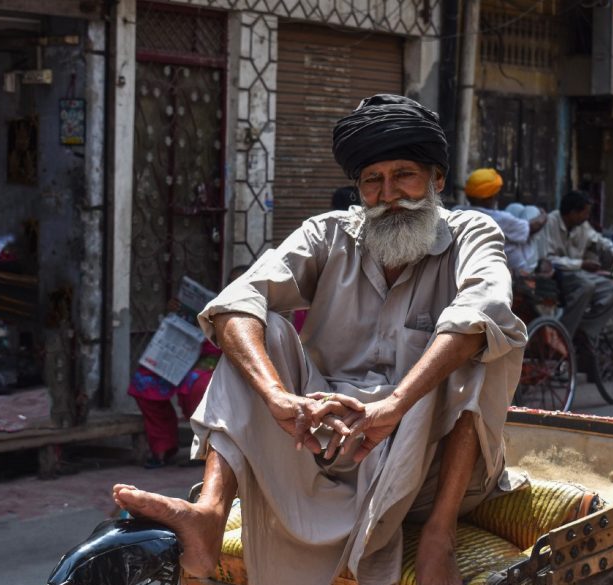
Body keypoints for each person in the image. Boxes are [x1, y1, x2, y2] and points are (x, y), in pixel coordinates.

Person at [111, 94, 527, 585]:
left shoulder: (471, 233)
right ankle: (209, 511)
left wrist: (393, 405)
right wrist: (277, 396)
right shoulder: (329, 234)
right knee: (254, 329)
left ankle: (440, 537)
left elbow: (483, 307)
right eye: (373, 180)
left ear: (436, 180)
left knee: (479, 341)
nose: (389, 193)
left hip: (430, 473)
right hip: (326, 452)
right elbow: (235, 303)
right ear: (359, 188)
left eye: (405, 175)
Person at [128, 266, 251, 468]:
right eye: (231, 281)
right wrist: (176, 311)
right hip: (185, 352)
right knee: (145, 380)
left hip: (219, 360)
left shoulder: (260, 307)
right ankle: (163, 446)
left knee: (195, 386)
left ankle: (209, 449)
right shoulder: (216, 302)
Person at [537, 190, 613, 344]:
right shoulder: (550, 223)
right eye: (585, 213)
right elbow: (548, 259)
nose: (587, 217)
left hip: (579, 273)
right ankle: (562, 335)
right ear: (573, 213)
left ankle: (585, 330)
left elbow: (599, 240)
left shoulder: (582, 226)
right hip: (559, 274)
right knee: (586, 286)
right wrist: (581, 264)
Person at [453, 168, 547, 274]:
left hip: (475, 260)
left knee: (515, 207)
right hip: (518, 266)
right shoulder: (499, 219)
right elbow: (534, 226)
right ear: (490, 198)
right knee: (532, 211)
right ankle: (543, 262)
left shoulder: (457, 211)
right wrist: (543, 214)